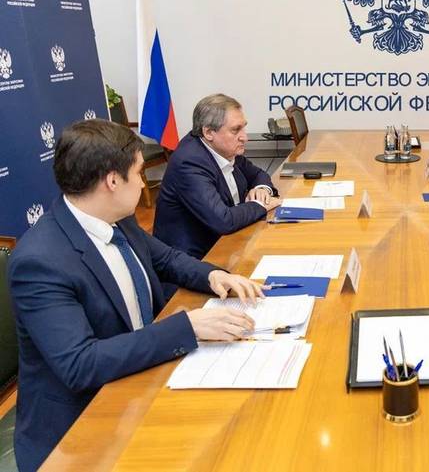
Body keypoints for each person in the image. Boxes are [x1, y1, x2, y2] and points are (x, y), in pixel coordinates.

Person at [8, 120, 265, 472]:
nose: (144, 184)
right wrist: (187, 326)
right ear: (112, 181)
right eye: (139, 173)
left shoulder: (116, 218)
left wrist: (215, 275)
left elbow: (167, 259)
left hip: (140, 380)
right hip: (80, 431)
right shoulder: (41, 262)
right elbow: (81, 365)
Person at [154, 93, 280, 262]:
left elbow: (258, 174)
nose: (245, 137)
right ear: (208, 132)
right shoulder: (189, 162)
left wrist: (261, 189)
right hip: (194, 261)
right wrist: (260, 205)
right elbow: (223, 221)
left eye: (243, 128)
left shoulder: (223, 148)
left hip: (229, 242)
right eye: (235, 130)